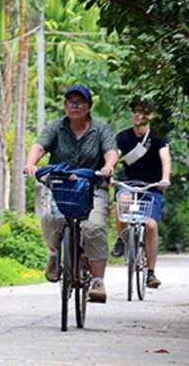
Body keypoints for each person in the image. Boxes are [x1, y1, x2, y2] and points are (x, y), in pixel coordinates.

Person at [24, 84, 118, 303]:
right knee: (49, 217)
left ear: (89, 106)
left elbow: (111, 152)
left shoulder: (100, 128)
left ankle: (97, 281)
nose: (74, 106)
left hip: (92, 185)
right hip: (60, 185)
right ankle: (54, 253)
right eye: (70, 101)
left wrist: (108, 166)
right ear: (65, 105)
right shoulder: (56, 127)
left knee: (93, 227)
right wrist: (30, 164)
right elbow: (39, 146)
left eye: (80, 102)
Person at [111, 98, 171, 288]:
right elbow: (115, 155)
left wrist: (165, 178)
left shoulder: (158, 137)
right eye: (135, 111)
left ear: (150, 116)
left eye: (143, 112)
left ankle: (151, 273)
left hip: (152, 187)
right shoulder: (123, 137)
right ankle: (121, 239)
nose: (138, 115)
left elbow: (165, 158)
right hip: (128, 183)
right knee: (123, 200)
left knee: (151, 226)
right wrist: (109, 169)